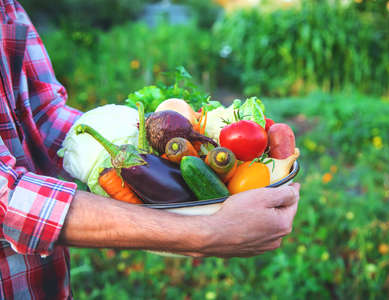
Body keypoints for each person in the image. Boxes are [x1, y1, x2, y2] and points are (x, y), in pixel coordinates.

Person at [0, 0, 300, 299]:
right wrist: (204, 232)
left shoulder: (8, 7)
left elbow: (43, 114)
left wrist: (131, 148)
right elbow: (8, 198)